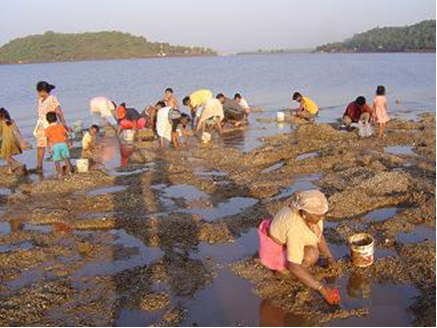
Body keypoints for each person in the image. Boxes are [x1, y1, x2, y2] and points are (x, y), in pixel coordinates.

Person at [258, 190, 341, 305]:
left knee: (312, 252)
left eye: (324, 214)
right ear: (305, 213)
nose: (322, 217)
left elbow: (319, 237)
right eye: (319, 215)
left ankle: (302, 272)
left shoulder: (312, 216)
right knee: (311, 255)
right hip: (275, 250)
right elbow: (294, 265)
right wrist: (322, 289)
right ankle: (283, 272)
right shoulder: (295, 227)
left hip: (287, 240)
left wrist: (330, 259)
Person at [35, 81, 70, 173]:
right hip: (41, 125)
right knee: (40, 146)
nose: (38, 94)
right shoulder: (40, 100)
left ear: (42, 91)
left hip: (51, 126)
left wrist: (64, 124)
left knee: (56, 145)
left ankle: (65, 166)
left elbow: (59, 112)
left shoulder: (52, 98)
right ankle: (39, 166)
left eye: (38, 91)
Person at [45, 112, 73, 177]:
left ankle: (59, 173)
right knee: (66, 159)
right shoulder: (60, 126)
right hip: (63, 144)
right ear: (56, 118)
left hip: (55, 146)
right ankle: (69, 172)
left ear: (47, 120)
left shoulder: (47, 129)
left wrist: (48, 148)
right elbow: (66, 135)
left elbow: (48, 139)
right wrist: (69, 142)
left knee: (56, 160)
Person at [0, 108, 26, 175]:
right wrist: (21, 141)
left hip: (6, 141)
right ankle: (10, 169)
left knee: (6, 156)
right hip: (14, 140)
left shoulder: (1, 122)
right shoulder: (11, 121)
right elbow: (17, 131)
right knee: (9, 155)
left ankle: (19, 164)